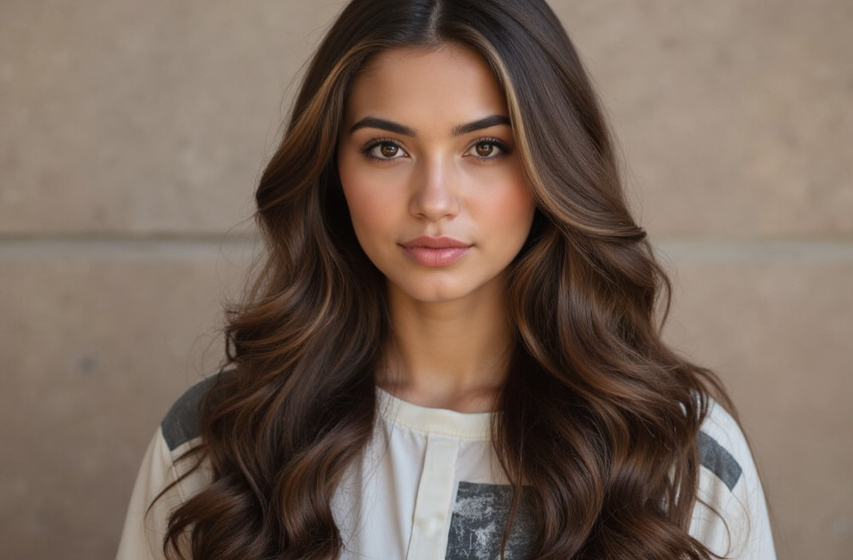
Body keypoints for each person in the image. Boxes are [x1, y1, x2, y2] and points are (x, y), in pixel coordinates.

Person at [116, 0, 776, 559]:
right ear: (331, 171)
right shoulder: (220, 439)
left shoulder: (673, 451)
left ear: (552, 166)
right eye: (387, 148)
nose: (434, 199)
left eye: (485, 147)